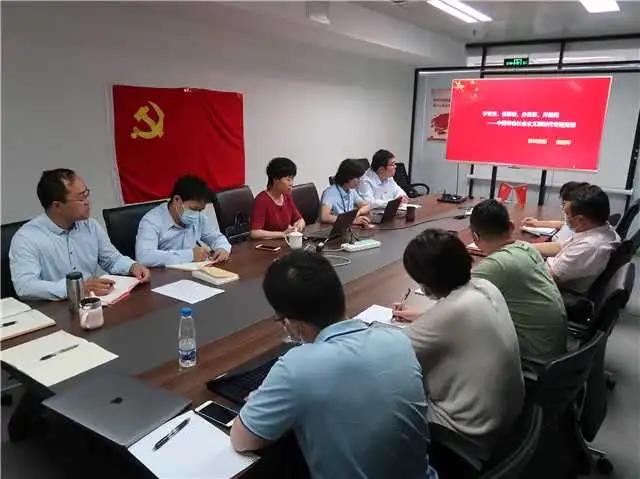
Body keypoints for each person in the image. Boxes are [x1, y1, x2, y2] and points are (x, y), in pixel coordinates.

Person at [230, 251, 437, 479]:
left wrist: (264, 396)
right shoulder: (397, 340)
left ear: (291, 324)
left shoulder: (297, 367)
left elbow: (242, 440)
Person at [393, 229, 523, 469]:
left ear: (426, 282)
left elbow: (387, 354)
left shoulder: (451, 314)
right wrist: (423, 317)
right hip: (506, 422)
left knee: (383, 401)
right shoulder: (485, 287)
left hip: (464, 437)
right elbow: (452, 319)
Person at [9, 169, 150, 300]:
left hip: (96, 302)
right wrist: (76, 288)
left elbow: (112, 260)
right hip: (55, 309)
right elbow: (25, 286)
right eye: (81, 199)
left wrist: (132, 267)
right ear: (57, 206)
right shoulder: (27, 238)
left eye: (86, 194)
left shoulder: (90, 226)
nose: (88, 202)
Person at [470, 199, 567, 359]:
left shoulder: (496, 265)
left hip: (533, 357)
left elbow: (449, 301)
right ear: (511, 226)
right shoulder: (528, 248)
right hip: (553, 349)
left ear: (475, 237)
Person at [136, 175, 231, 267]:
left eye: (200, 210)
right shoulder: (151, 221)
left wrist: (222, 248)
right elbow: (144, 257)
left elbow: (216, 238)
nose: (197, 214)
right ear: (177, 200)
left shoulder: (199, 218)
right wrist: (190, 255)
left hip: (193, 272)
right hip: (163, 275)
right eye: (193, 209)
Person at [545, 185, 620, 294]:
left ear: (580, 220)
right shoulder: (601, 229)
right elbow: (562, 247)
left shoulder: (589, 247)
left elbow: (546, 279)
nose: (565, 218)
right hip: (553, 274)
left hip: (556, 292)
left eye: (567, 214)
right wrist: (526, 246)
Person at [523, 181, 589, 252]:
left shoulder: (579, 229)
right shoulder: (576, 222)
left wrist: (524, 247)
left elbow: (560, 247)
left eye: (564, 203)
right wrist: (536, 223)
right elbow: (563, 224)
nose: (563, 208)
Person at [250, 157, 305, 240]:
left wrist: (298, 226)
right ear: (275, 179)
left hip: (284, 242)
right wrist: (282, 234)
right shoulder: (262, 200)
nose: (291, 183)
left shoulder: (286, 196)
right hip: (268, 245)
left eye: (292, 179)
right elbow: (255, 233)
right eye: (288, 179)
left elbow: (300, 219)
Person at [320, 159, 370, 225]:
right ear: (348, 177)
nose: (359, 181)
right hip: (332, 227)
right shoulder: (330, 192)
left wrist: (357, 213)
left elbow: (366, 206)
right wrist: (350, 220)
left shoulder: (351, 190)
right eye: (357, 178)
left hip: (346, 226)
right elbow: (324, 217)